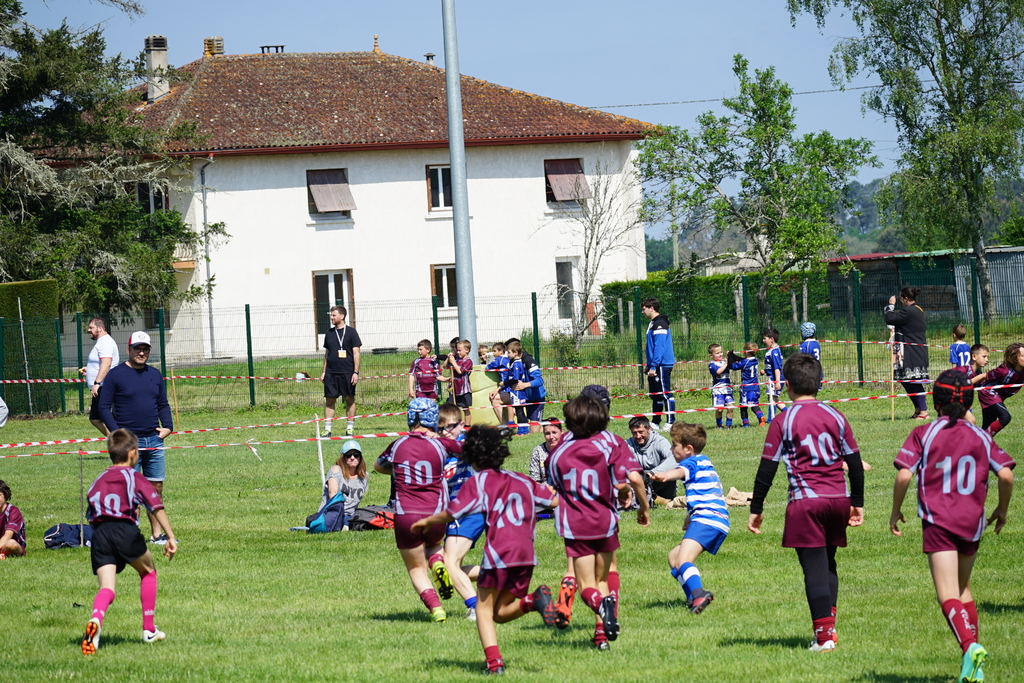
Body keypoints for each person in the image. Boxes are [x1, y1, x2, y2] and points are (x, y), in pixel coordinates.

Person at [889, 369, 1014, 683]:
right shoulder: (981, 436)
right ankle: (972, 667)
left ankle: (970, 647)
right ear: (969, 401)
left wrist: (895, 510)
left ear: (936, 401)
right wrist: (1001, 509)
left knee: (946, 593)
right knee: (962, 589)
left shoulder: (925, 433)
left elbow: (904, 474)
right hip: (972, 521)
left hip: (939, 520)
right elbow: (1006, 474)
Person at [413, 426, 560, 675]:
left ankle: (494, 663)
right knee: (499, 613)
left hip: (499, 552)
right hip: (526, 555)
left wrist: (427, 521)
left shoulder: (478, 481)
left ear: (471, 456)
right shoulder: (521, 479)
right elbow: (553, 500)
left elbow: (452, 513)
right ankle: (534, 600)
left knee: (483, 609)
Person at [748, 353, 865, 652]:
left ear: (787, 385)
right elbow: (854, 463)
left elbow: (767, 469)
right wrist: (857, 501)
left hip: (806, 501)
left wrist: (756, 508)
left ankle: (824, 638)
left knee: (814, 567)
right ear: (819, 383)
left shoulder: (783, 419)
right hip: (838, 499)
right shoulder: (836, 415)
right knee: (828, 562)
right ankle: (828, 630)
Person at [547, 392, 650, 650]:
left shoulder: (559, 452)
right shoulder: (609, 443)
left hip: (576, 525)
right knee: (604, 579)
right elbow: (628, 480)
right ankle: (602, 635)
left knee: (586, 586)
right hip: (605, 521)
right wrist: (637, 502)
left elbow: (552, 490)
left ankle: (600, 606)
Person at [81, 429, 177, 656]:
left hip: (100, 534)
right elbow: (156, 507)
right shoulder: (134, 477)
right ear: (133, 453)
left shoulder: (98, 480)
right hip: (124, 530)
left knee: (107, 588)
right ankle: (149, 630)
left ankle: (96, 618)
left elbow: (90, 512)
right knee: (148, 572)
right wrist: (170, 536)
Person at [373, 398, 459, 622]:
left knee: (415, 569)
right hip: (436, 513)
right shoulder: (441, 444)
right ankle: (437, 563)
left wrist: (400, 470)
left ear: (410, 418)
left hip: (406, 515)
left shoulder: (398, 445)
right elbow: (467, 450)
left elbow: (378, 466)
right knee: (434, 545)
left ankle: (436, 608)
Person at [98, 331, 173, 545]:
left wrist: (168, 426)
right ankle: (130, 535)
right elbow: (103, 407)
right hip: (128, 444)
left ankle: (157, 535)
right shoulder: (115, 375)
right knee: (128, 489)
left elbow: (163, 404)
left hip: (154, 440)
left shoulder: (155, 374)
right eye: (137, 349)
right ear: (128, 350)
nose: (141, 353)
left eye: (145, 349)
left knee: (155, 488)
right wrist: (118, 435)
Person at [651, 422, 729, 614]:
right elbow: (703, 493)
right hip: (714, 519)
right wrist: (689, 515)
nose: (671, 449)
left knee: (683, 560)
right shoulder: (704, 461)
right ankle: (692, 597)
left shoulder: (690, 463)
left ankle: (699, 593)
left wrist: (664, 476)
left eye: (674, 445)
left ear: (688, 449)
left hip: (706, 519)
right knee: (674, 557)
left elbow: (679, 472)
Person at [436, 403, 482, 621]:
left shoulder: (466, 443)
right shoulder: (441, 449)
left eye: (450, 427)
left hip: (470, 509)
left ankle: (476, 608)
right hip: (453, 513)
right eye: (440, 428)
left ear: (462, 425)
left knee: (449, 563)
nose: (445, 432)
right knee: (452, 567)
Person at [885, 286, 930, 419]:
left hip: (913, 351)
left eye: (900, 298)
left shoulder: (910, 311)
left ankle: (924, 412)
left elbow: (890, 318)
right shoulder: (916, 310)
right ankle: (918, 410)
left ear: (905, 298)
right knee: (905, 380)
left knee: (914, 381)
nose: (900, 301)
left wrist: (890, 306)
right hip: (909, 351)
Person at [320, 305, 362, 437]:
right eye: (331, 315)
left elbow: (356, 354)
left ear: (342, 316)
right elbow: (327, 354)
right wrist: (324, 371)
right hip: (331, 373)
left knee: (349, 399)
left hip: (347, 372)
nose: (331, 318)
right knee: (330, 401)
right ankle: (327, 429)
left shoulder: (351, 332)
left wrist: (355, 372)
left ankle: (350, 428)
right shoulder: (329, 333)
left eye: (334, 315)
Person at [79, 317, 119, 436]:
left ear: (100, 328)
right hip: (100, 387)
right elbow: (100, 364)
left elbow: (106, 363)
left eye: (91, 327)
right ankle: (117, 441)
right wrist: (90, 370)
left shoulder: (105, 342)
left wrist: (97, 383)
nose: (88, 330)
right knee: (95, 418)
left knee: (108, 420)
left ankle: (120, 442)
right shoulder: (101, 342)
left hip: (104, 387)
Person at [624, 416, 677, 503]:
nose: (638, 436)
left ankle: (650, 496)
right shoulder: (628, 444)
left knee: (666, 464)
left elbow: (674, 459)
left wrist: (651, 474)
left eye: (641, 432)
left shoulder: (660, 441)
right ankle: (652, 497)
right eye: (634, 433)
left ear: (649, 429)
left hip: (661, 484)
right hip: (641, 482)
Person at [642, 298, 675, 431]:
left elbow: (659, 347)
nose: (642, 312)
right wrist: (649, 365)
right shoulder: (652, 323)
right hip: (655, 365)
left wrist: (654, 365)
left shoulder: (660, 323)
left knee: (665, 393)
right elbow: (651, 346)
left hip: (662, 364)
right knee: (656, 395)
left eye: (644, 309)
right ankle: (655, 422)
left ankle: (671, 422)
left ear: (652, 308)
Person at [978, 342, 1024, 436]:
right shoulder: (1004, 371)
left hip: (998, 396)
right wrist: (966, 384)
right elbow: (983, 376)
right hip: (988, 393)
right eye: (1023, 356)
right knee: (1005, 417)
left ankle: (977, 441)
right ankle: (983, 439)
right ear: (1014, 358)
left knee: (987, 425)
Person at [322, 440, 369, 529]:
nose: (352, 457)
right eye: (348, 455)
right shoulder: (336, 470)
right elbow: (333, 495)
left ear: (360, 457)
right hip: (332, 514)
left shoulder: (364, 476)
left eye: (356, 454)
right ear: (343, 457)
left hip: (352, 515)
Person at [509, 340, 546, 434]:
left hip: (536, 398)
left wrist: (525, 385)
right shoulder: (512, 362)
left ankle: (551, 427)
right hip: (523, 397)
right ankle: (508, 427)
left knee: (534, 431)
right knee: (496, 398)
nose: (507, 355)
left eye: (508, 352)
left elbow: (540, 380)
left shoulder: (528, 361)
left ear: (515, 352)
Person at [729, 342, 765, 427]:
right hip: (755, 387)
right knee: (754, 405)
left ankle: (746, 424)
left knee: (743, 406)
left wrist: (730, 357)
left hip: (746, 388)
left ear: (746, 352)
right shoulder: (755, 360)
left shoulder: (745, 362)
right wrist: (733, 355)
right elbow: (742, 360)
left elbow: (733, 366)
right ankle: (761, 416)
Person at [445, 339, 474, 426]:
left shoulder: (468, 361)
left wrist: (453, 362)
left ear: (467, 350)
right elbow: (445, 366)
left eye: (460, 350)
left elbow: (460, 371)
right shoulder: (456, 360)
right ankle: (453, 424)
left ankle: (467, 425)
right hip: (454, 387)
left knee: (465, 408)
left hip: (463, 388)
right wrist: (449, 358)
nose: (458, 352)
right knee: (451, 407)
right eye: (457, 350)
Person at [485, 343, 514, 425]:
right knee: (510, 404)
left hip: (507, 388)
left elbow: (488, 367)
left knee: (494, 399)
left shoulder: (500, 359)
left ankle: (504, 424)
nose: (493, 353)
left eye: (494, 351)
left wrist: (486, 364)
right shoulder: (509, 359)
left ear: (501, 351)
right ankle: (511, 421)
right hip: (511, 387)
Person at [529, 418, 563, 484]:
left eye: (554, 432)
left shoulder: (569, 449)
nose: (551, 437)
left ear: (562, 431)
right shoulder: (538, 451)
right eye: (547, 433)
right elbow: (535, 480)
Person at [762, 328, 786, 421]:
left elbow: (777, 368)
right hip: (772, 377)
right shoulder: (771, 350)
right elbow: (771, 366)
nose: (763, 340)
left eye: (765, 338)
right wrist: (765, 370)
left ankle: (771, 419)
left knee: (773, 398)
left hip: (775, 378)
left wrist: (777, 382)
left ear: (771, 339)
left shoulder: (774, 351)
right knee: (773, 398)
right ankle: (788, 413)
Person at [708, 343, 734, 429]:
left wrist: (731, 357)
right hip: (718, 390)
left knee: (731, 407)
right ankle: (719, 425)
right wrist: (726, 364)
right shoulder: (712, 365)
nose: (720, 354)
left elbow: (734, 365)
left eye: (721, 352)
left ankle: (729, 425)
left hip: (727, 389)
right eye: (717, 353)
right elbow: (718, 371)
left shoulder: (724, 362)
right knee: (719, 409)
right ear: (711, 355)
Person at [0, 480, 26, 559]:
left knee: (11, 544)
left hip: (11, 544)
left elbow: (8, 535)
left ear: (5, 495)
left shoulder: (13, 511)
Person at [799, 322, 823, 388]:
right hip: (818, 371)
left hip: (809, 372)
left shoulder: (805, 345)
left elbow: (801, 358)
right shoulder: (816, 343)